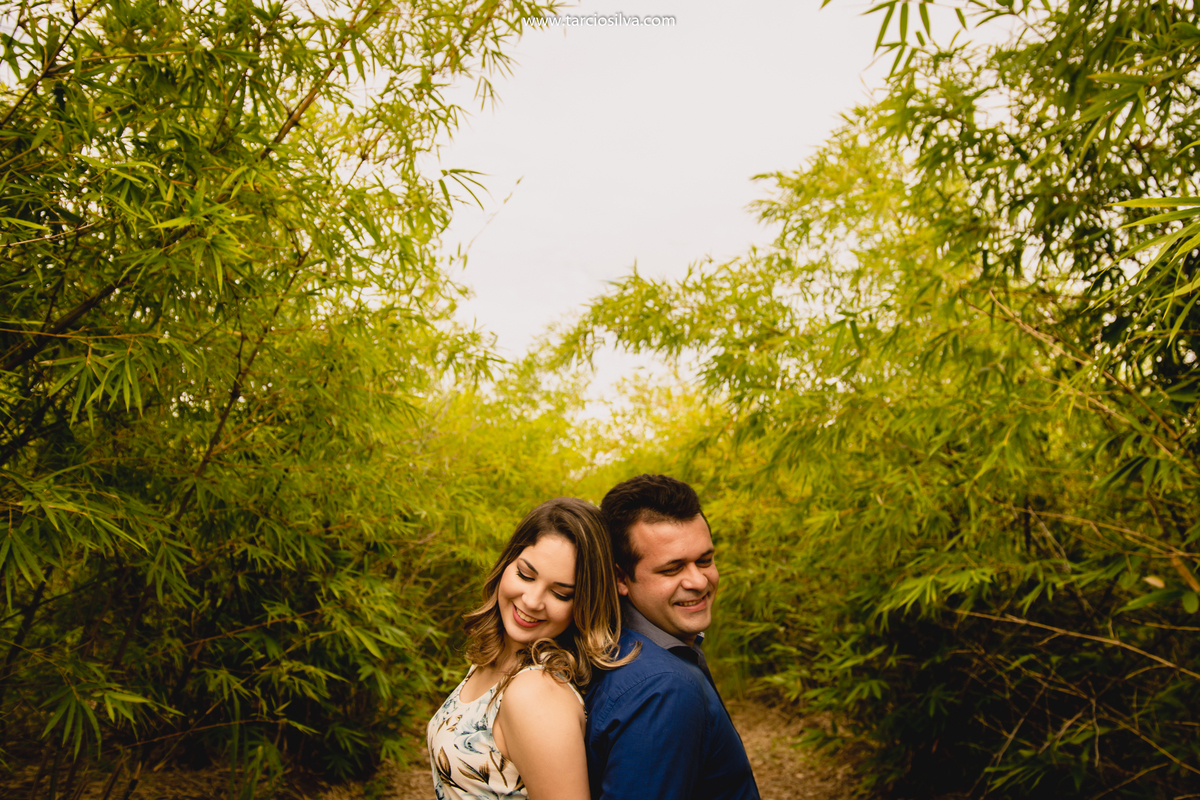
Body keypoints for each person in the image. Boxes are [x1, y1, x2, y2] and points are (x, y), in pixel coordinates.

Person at [428, 497, 636, 800]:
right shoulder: (494, 660)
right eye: (525, 575)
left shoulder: (537, 693)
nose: (532, 601)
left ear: (584, 604)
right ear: (506, 565)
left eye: (561, 593)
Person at [585, 474, 760, 800]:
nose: (698, 581)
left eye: (705, 560)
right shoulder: (663, 689)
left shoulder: (616, 647)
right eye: (672, 569)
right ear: (621, 578)